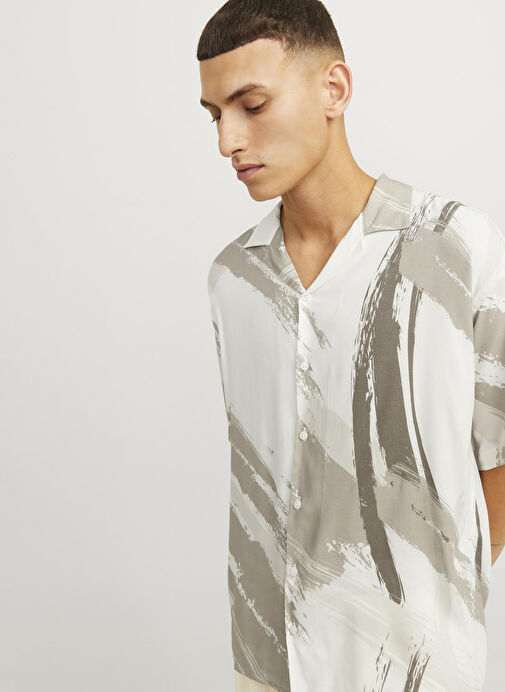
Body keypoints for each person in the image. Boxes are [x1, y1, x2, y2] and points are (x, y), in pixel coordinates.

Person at [197, 1, 505, 690]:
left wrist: (433, 591)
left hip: (419, 667)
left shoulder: (454, 248)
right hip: (267, 662)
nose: (227, 140)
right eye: (214, 115)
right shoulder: (233, 279)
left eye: (250, 105)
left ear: (333, 89)